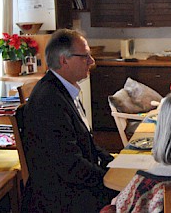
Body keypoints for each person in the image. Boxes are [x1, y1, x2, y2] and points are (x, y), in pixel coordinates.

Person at [20, 29, 117, 212]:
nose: (92, 62)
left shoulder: (64, 89)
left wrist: (113, 164)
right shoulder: (49, 101)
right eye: (85, 56)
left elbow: (87, 142)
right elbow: (70, 166)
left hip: (74, 184)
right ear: (64, 60)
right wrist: (108, 179)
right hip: (62, 197)